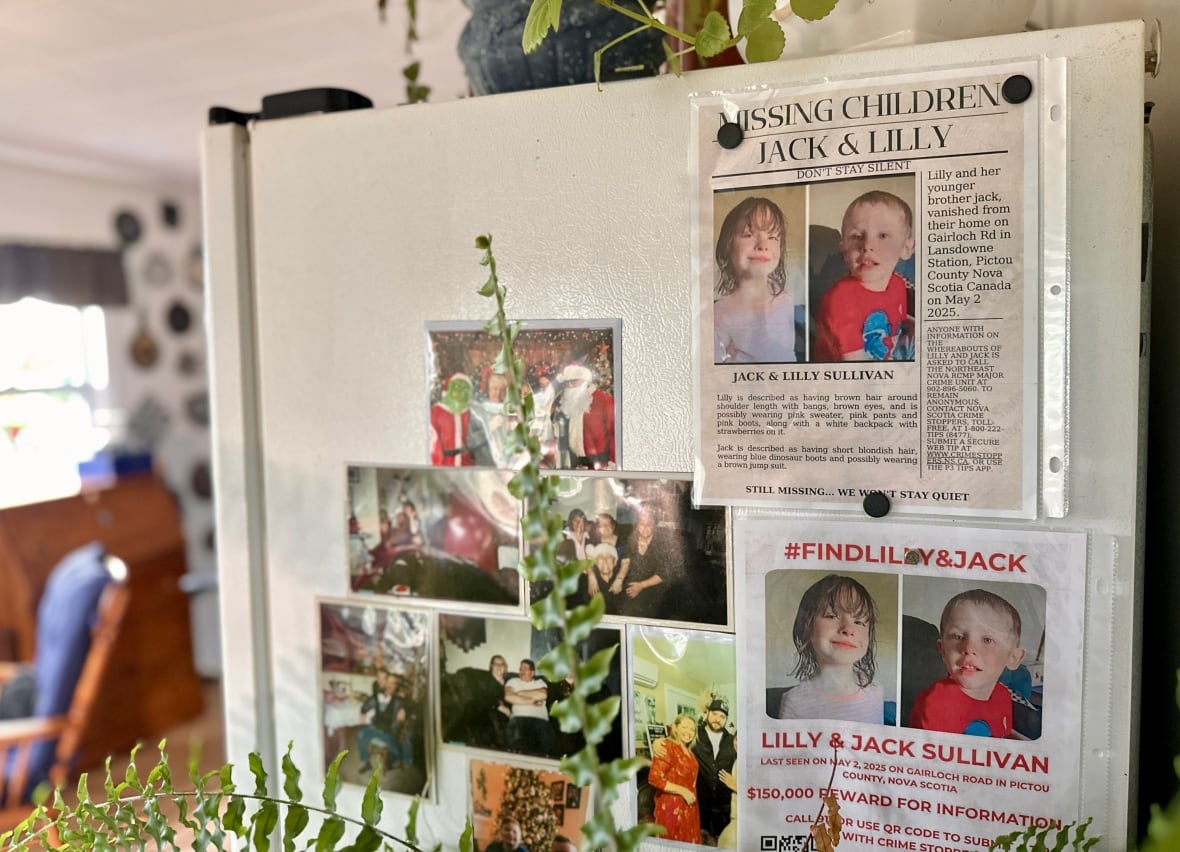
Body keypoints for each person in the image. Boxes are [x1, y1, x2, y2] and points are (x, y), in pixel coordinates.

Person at [814, 190, 915, 362]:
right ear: (844, 249)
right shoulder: (840, 299)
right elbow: (854, 363)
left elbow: (898, 319)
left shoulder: (898, 284)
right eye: (857, 236)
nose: (867, 246)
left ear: (906, 248)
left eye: (883, 236)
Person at [909, 589, 1025, 737]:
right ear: (942, 649)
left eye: (987, 640)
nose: (969, 648)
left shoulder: (1003, 696)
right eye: (958, 636)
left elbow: (1004, 736)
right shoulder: (936, 704)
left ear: (1013, 658)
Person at [777, 574, 883, 723]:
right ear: (806, 626)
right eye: (831, 616)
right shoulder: (794, 702)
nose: (848, 629)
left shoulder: (876, 693)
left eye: (859, 622)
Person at [713, 196, 797, 364]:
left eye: (773, 237)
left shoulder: (787, 299)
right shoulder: (720, 313)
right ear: (727, 246)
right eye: (748, 234)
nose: (763, 245)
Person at [615, 506, 680, 619]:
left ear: (654, 526)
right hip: (633, 583)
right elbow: (626, 560)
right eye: (641, 523)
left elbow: (663, 574)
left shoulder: (662, 543)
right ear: (637, 525)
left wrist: (641, 586)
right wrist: (619, 579)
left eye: (649, 524)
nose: (644, 527)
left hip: (654, 585)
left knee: (641, 611)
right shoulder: (632, 539)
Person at [648, 714, 702, 844]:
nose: (688, 732)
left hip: (689, 807)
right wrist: (683, 791)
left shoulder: (689, 751)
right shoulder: (667, 746)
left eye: (692, 729)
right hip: (671, 808)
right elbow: (654, 778)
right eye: (684, 727)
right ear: (675, 728)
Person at [552, 364, 615, 470]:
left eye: (574, 382)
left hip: (598, 466)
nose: (570, 386)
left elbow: (615, 433)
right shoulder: (563, 402)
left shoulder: (604, 400)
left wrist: (613, 461)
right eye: (567, 383)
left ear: (585, 381)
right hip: (571, 464)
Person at [692, 699, 737, 842]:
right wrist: (657, 743)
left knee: (723, 841)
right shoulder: (695, 735)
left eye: (722, 716)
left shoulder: (733, 740)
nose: (718, 719)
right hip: (700, 802)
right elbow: (674, 742)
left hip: (724, 806)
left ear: (726, 719)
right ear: (707, 713)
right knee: (701, 838)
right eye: (715, 714)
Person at [356, 668, 414, 772]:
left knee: (396, 752)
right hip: (374, 727)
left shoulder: (398, 700)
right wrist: (362, 714)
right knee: (361, 735)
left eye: (393, 683)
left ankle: (394, 761)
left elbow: (411, 706)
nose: (389, 685)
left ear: (396, 686)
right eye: (388, 682)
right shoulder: (377, 695)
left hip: (388, 731)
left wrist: (405, 711)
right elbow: (366, 706)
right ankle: (366, 762)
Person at [430, 373, 487, 466]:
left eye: (465, 389)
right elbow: (432, 441)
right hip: (444, 465)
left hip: (466, 466)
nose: (460, 392)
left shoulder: (471, 414)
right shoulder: (437, 412)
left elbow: (478, 439)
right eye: (457, 387)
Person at [504, 659, 555, 756]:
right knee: (515, 740)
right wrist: (531, 701)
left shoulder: (540, 683)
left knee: (545, 741)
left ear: (532, 673)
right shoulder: (513, 681)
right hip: (519, 719)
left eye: (525, 669)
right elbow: (509, 696)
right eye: (520, 669)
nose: (521, 671)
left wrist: (519, 693)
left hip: (540, 720)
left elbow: (543, 694)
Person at [582, 542, 626, 613]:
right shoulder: (587, 582)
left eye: (609, 557)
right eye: (600, 557)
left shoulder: (623, 582)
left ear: (615, 562)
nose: (605, 560)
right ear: (596, 562)